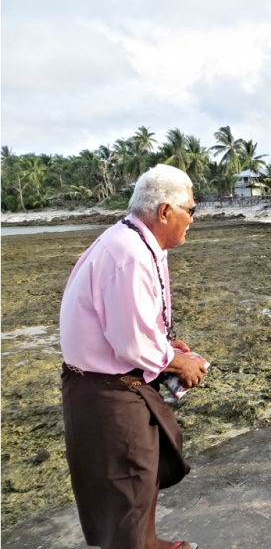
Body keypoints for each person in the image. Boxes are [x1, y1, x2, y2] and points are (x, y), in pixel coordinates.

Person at [60, 164, 207, 549]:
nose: (192, 219)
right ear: (164, 212)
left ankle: (148, 540)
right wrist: (180, 363)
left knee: (148, 466)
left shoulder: (137, 244)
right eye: (190, 210)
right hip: (106, 389)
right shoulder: (129, 254)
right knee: (125, 483)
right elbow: (132, 345)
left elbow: (133, 326)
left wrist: (166, 344)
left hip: (123, 381)